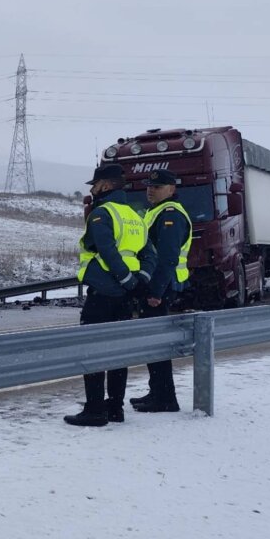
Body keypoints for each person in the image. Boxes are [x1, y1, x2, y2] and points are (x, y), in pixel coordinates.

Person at [64, 163, 154, 427]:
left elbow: (105, 250)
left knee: (92, 350)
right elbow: (150, 254)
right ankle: (115, 407)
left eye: (95, 184)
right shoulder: (134, 216)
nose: (93, 189)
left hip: (104, 292)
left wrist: (125, 279)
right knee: (118, 351)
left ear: (106, 185)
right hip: (126, 296)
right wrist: (139, 282)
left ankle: (94, 409)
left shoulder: (102, 213)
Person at [130, 169, 193, 413]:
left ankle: (165, 398)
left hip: (162, 287)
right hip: (159, 285)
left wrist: (155, 292)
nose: (150, 190)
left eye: (157, 187)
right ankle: (158, 392)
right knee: (153, 342)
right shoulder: (155, 212)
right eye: (149, 186)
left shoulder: (170, 215)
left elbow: (167, 258)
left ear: (171, 189)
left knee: (156, 343)